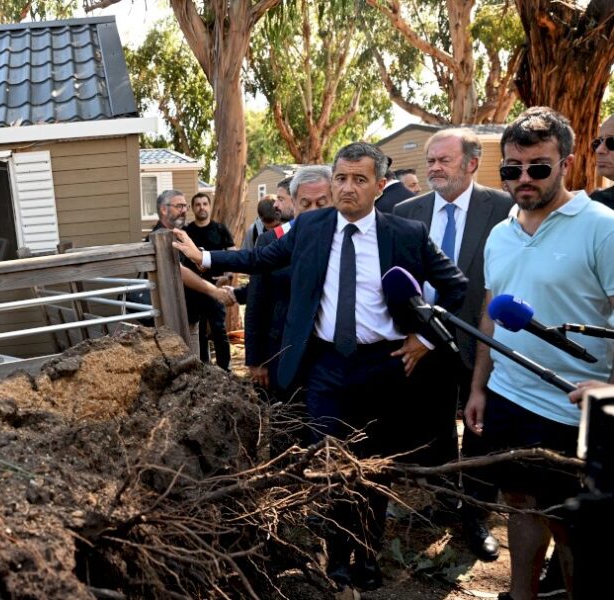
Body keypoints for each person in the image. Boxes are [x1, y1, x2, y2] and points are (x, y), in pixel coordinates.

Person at [173, 142, 468, 591]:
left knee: (373, 467)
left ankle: (368, 555)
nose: (347, 188)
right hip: (326, 367)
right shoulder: (310, 226)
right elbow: (260, 261)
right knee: (330, 466)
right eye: (341, 178)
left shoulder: (405, 234)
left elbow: (455, 285)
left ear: (379, 185)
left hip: (383, 367)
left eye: (359, 179)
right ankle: (337, 557)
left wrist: (423, 340)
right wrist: (205, 258)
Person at [463, 107, 614, 600]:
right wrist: (480, 387)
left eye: (538, 168)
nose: (522, 179)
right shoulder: (500, 233)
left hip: (573, 410)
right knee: (521, 505)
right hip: (508, 395)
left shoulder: (602, 227)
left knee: (572, 526)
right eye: (511, 168)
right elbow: (490, 313)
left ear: (567, 164)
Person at [393, 128, 513, 561]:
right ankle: (445, 500)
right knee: (433, 424)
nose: (434, 169)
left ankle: (477, 512)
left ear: (471, 163)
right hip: (425, 343)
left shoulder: (503, 207)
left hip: (482, 341)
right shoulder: (407, 211)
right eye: (430, 161)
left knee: (481, 426)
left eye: (443, 160)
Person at [245, 165, 332, 392]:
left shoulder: (346, 238)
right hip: (281, 350)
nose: (313, 210)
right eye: (305, 202)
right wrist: (255, 359)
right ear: (294, 203)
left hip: (330, 355)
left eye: (321, 203)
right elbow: (256, 302)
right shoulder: (271, 241)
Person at [146, 190, 235, 353]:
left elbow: (195, 261)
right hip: (171, 318)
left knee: (197, 361)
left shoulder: (179, 235)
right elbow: (179, 271)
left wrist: (202, 263)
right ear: (164, 210)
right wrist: (214, 291)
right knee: (187, 365)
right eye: (179, 206)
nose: (184, 210)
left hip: (190, 314)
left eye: (185, 206)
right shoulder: (158, 237)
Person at [184, 192, 236, 370]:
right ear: (193, 208)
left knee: (218, 329)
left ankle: (224, 369)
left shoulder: (220, 229)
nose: (201, 207)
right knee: (198, 332)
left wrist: (227, 276)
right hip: (193, 290)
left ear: (209, 206)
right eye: (197, 204)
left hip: (216, 288)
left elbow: (233, 254)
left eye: (205, 204)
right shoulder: (186, 232)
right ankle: (203, 367)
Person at [589, 114, 614, 210]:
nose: (599, 150)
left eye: (612, 142)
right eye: (598, 142)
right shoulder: (600, 201)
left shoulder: (601, 205)